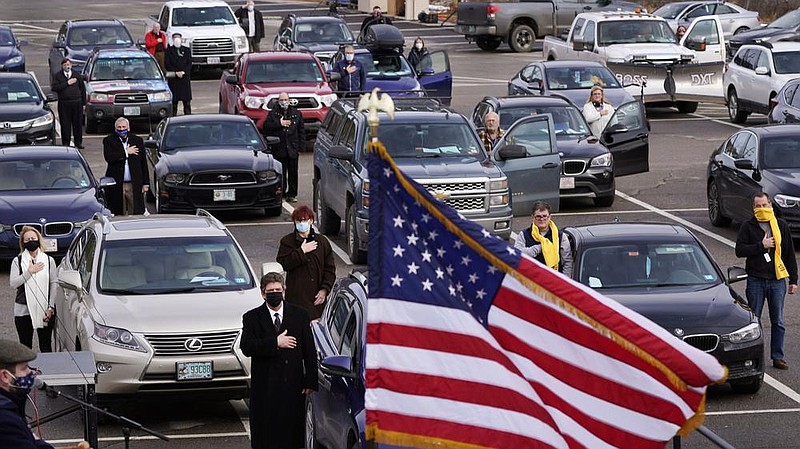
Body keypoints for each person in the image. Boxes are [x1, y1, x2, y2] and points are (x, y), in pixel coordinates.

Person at [241, 272, 317, 449]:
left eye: (278, 289)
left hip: (293, 386)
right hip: (265, 388)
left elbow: (309, 350)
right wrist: (275, 342)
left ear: (284, 291)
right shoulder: (252, 318)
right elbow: (247, 347)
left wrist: (310, 380)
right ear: (263, 294)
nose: (274, 293)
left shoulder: (300, 315)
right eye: (270, 290)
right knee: (266, 436)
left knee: (292, 435)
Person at [735, 192, 798, 370]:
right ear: (754, 208)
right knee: (754, 320)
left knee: (778, 320)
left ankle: (777, 356)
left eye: (764, 205)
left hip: (777, 280)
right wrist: (761, 246)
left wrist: (793, 279)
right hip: (756, 280)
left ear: (771, 205)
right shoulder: (748, 226)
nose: (762, 209)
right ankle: (755, 356)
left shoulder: (781, 225)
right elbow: (739, 250)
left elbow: (789, 254)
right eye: (758, 206)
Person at [276, 205, 336, 320]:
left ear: (311, 221)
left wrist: (324, 289)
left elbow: (330, 269)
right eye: (298, 221)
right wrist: (302, 252)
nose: (302, 223)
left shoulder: (322, 242)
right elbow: (284, 263)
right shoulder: (287, 242)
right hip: (296, 300)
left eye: (305, 220)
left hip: (316, 301)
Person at [9, 227, 57, 353]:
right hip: (23, 311)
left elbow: (53, 283)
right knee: (25, 348)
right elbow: (13, 284)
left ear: (38, 240)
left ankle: (47, 371)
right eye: (27, 239)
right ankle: (26, 372)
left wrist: (50, 307)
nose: (31, 241)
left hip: (44, 310)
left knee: (46, 345)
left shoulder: (48, 260)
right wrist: (29, 272)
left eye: (33, 238)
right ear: (23, 243)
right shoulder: (17, 261)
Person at [0, 339, 52, 449]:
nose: (30, 372)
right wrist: (36, 440)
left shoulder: (9, 405)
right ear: (5, 376)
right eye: (24, 368)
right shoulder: (6, 423)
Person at [103, 117, 149, 216]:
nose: (121, 129)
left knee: (135, 213)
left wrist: (145, 183)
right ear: (115, 129)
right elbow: (109, 158)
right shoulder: (109, 141)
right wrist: (126, 153)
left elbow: (143, 162)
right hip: (117, 184)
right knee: (118, 212)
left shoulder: (137, 141)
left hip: (134, 184)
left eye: (124, 127)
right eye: (119, 127)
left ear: (128, 128)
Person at [263, 92, 304, 202]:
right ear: (278, 101)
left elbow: (301, 131)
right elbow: (266, 127)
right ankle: (281, 194)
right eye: (281, 100)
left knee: (293, 173)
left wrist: (300, 147)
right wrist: (279, 124)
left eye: (285, 99)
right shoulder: (273, 114)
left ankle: (292, 194)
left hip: (292, 148)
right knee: (281, 173)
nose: (284, 102)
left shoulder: (296, 113)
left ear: (289, 100)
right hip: (279, 149)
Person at [514, 201, 573, 275]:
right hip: (530, 279)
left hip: (554, 279)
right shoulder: (524, 235)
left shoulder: (560, 236)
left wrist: (565, 281)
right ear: (532, 217)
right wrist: (540, 248)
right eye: (538, 216)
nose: (542, 219)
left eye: (544, 216)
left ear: (550, 217)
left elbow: (567, 262)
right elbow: (517, 255)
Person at [51, 58, 85, 148]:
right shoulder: (58, 76)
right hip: (64, 103)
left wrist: (84, 104)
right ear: (62, 66)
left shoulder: (77, 75)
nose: (67, 66)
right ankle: (66, 143)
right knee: (65, 124)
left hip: (76, 102)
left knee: (77, 124)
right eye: (65, 65)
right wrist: (67, 83)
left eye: (68, 64)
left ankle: (78, 143)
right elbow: (54, 88)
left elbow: (82, 89)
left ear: (71, 65)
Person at [165, 32, 192, 115]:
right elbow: (167, 63)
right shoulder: (169, 51)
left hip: (184, 78)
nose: (177, 39)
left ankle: (188, 117)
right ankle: (173, 117)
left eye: (178, 37)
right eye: (175, 37)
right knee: (174, 103)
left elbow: (189, 63)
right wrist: (176, 72)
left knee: (186, 102)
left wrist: (183, 72)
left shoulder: (186, 50)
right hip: (174, 79)